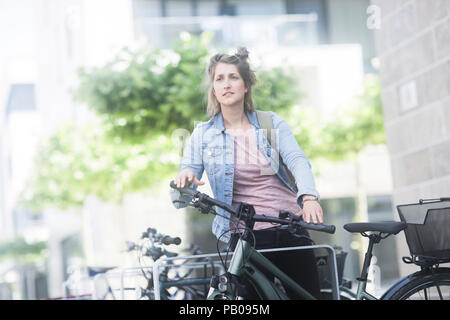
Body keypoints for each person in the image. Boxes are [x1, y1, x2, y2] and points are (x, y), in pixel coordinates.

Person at [173, 47, 324, 299]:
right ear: (213, 89)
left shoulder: (270, 124)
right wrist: (184, 181)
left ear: (246, 85)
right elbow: (182, 191)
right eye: (219, 79)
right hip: (245, 236)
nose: (226, 84)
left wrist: (308, 197)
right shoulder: (203, 135)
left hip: (289, 227)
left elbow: (297, 160)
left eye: (233, 77)